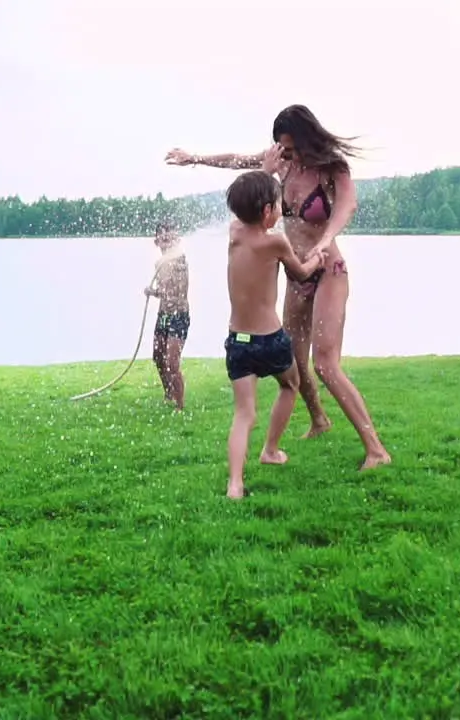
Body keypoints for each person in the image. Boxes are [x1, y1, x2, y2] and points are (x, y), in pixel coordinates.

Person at [164, 104, 391, 470]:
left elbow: (346, 207)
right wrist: (195, 159)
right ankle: (319, 419)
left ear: (305, 138)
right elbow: (238, 161)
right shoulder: (281, 164)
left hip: (328, 267)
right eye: (282, 147)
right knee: (294, 363)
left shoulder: (332, 167)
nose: (286, 153)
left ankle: (376, 450)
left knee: (325, 363)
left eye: (291, 146)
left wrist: (326, 239)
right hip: (296, 273)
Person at [222, 170, 324, 499]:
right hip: (270, 340)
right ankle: (270, 450)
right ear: (267, 211)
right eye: (278, 205)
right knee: (290, 384)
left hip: (238, 341)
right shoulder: (276, 242)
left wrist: (264, 171)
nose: (281, 210)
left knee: (244, 413)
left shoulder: (235, 232)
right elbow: (300, 272)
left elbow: (247, 208)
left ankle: (235, 484)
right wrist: (318, 259)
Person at [146, 220, 190, 410]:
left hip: (179, 315)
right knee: (158, 357)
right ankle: (168, 393)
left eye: (168, 232)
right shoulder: (159, 263)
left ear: (175, 238)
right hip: (163, 315)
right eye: (161, 233)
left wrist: (175, 254)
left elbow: (178, 290)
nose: (164, 236)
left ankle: (180, 408)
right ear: (156, 241)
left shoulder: (179, 259)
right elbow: (166, 291)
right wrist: (152, 292)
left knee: (172, 362)